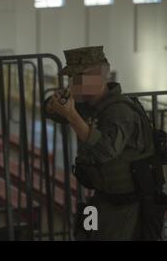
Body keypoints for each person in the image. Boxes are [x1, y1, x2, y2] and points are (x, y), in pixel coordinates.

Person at [44, 46, 165, 241]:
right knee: (85, 235)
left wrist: (72, 116)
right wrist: (51, 106)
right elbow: (56, 114)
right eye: (73, 78)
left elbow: (104, 150)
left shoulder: (120, 112)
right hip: (103, 198)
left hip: (126, 204)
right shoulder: (90, 105)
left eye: (79, 78)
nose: (73, 84)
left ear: (99, 77)